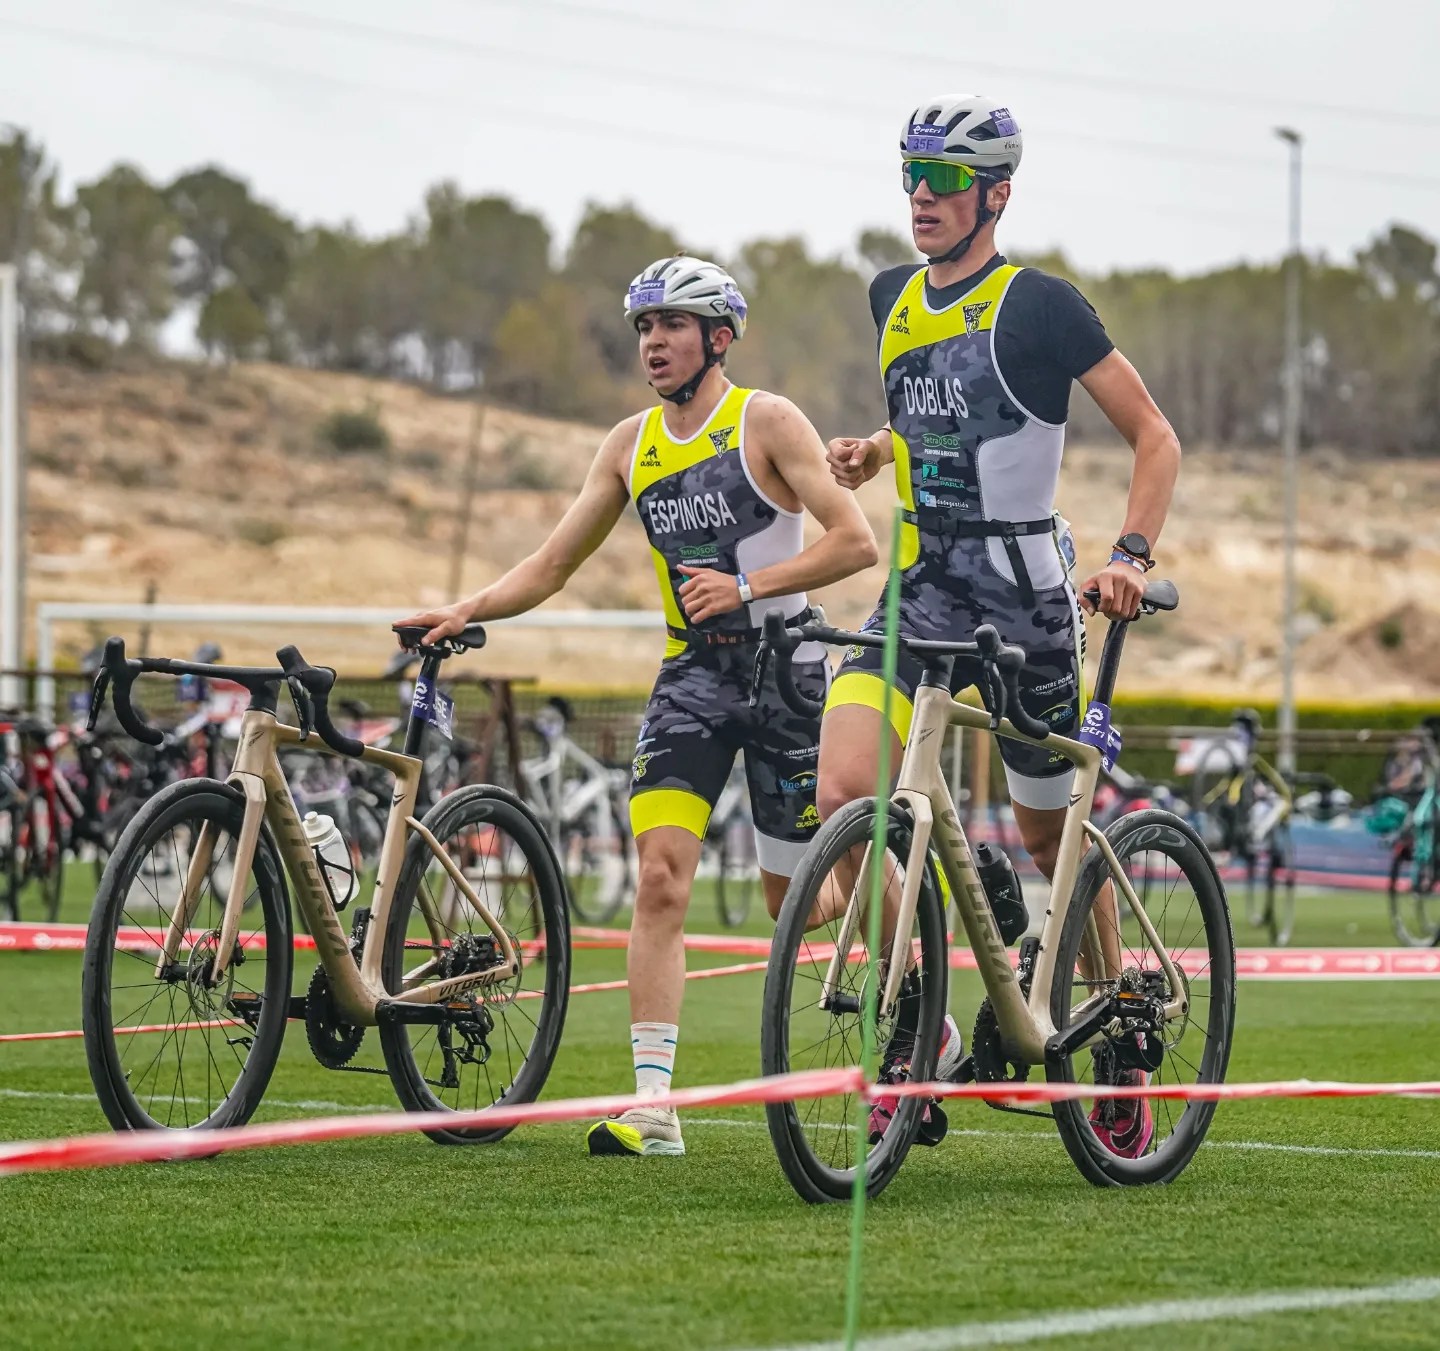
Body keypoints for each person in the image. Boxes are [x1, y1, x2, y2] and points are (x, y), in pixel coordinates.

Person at [394, 254, 877, 1158]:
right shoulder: (628, 444)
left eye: (672, 326)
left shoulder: (767, 420)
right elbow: (552, 563)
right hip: (691, 677)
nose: (653, 342)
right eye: (644, 327)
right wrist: (465, 608)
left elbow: (855, 543)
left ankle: (912, 965)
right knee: (660, 877)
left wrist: (747, 585)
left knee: (797, 902)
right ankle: (654, 1104)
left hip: (787, 670)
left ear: (719, 338)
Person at [821, 96, 1182, 1159]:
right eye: (911, 175)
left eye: (943, 179)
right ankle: (919, 1016)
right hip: (923, 585)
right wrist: (878, 450)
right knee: (842, 790)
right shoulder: (890, 296)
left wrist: (1130, 557)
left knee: (1048, 838)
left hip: (1026, 601)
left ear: (996, 194)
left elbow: (1155, 437)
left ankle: (1116, 1026)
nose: (921, 197)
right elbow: (944, 414)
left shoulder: (1043, 305)